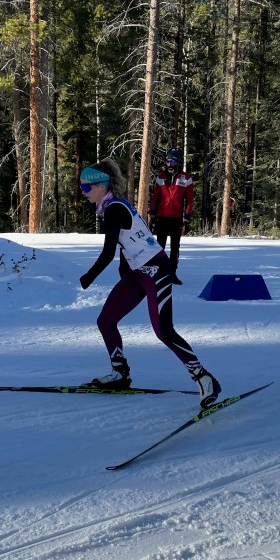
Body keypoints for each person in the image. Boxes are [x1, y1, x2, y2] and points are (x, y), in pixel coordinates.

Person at [78, 157, 221, 407]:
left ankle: (203, 377)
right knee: (106, 321)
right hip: (138, 274)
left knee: (163, 330)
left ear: (101, 185)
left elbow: (108, 252)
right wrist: (125, 274)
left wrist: (88, 277)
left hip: (156, 271)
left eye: (86, 187)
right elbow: (127, 244)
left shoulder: (114, 209)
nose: (83, 192)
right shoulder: (113, 205)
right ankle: (120, 373)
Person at [148, 147, 194, 285]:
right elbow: (155, 196)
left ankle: (172, 274)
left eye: (172, 161)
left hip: (176, 218)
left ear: (178, 162)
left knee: (175, 248)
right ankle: (158, 273)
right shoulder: (161, 177)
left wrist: (187, 215)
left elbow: (190, 200)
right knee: (159, 247)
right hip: (162, 217)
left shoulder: (186, 178)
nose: (169, 164)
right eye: (167, 161)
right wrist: (153, 213)